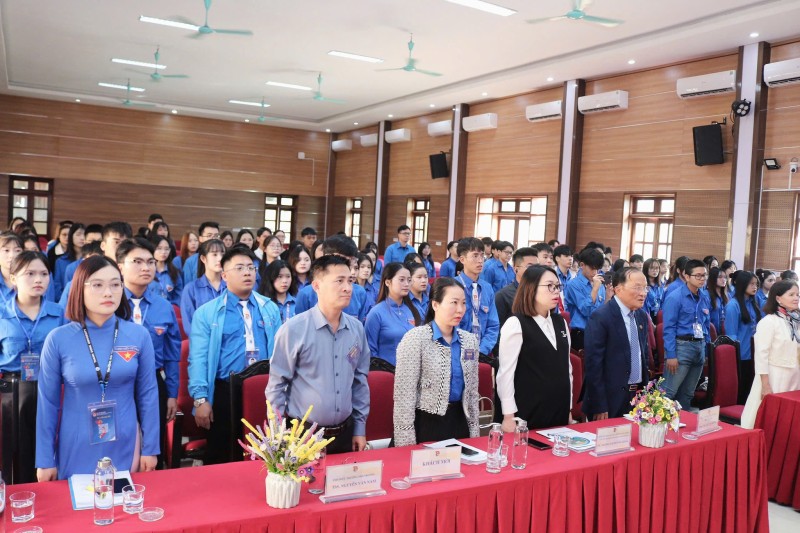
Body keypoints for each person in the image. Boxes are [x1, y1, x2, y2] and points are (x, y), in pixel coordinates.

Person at [36, 255, 159, 480]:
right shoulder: (58, 339)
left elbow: (148, 394)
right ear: (79, 289)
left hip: (126, 440)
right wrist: (45, 460)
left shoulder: (139, 335)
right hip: (76, 442)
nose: (108, 293)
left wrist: (150, 448)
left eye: (115, 284)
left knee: (123, 499)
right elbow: (48, 403)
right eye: (98, 285)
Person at [266, 255, 370, 454]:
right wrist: (278, 436)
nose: (348, 288)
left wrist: (360, 428)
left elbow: (359, 381)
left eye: (350, 281)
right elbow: (277, 386)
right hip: (303, 436)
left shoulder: (356, 329)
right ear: (316, 286)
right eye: (339, 281)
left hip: (345, 433)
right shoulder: (294, 330)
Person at [189, 245, 280, 465]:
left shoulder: (269, 307)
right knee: (223, 456)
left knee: (263, 455)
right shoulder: (207, 313)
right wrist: (200, 399)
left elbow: (280, 353)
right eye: (239, 268)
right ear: (224, 275)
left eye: (251, 267)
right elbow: (198, 359)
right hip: (225, 390)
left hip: (263, 389)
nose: (247, 272)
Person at [0, 251, 66, 484]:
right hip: (10, 390)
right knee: (13, 452)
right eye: (30, 274)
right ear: (13, 278)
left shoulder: (59, 314)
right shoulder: (2, 314)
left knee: (49, 449)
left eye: (44, 274)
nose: (38, 279)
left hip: (50, 388)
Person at [116, 238, 181, 468]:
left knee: (153, 450)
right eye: (137, 262)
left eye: (150, 262)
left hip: (154, 382)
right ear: (120, 266)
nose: (146, 267)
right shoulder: (110, 303)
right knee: (119, 447)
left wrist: (172, 393)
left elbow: (172, 354)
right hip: (117, 384)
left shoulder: (163, 306)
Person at [393, 277, 480, 446]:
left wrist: (474, 433)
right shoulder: (415, 339)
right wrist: (405, 443)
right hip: (426, 424)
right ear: (435, 305)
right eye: (454, 303)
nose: (460, 309)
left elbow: (472, 393)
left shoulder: (469, 341)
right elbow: (404, 396)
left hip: (459, 421)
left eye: (463, 303)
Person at [496, 265, 572, 431]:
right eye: (550, 286)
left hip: (559, 407)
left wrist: (569, 408)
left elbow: (567, 368)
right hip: (528, 410)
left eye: (558, 286)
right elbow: (505, 374)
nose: (556, 291)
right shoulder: (516, 323)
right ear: (531, 288)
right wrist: (508, 416)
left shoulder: (561, 322)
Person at [582, 268, 650, 420]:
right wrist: (599, 404)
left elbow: (643, 354)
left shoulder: (641, 315)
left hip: (637, 395)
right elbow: (593, 365)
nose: (643, 293)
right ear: (618, 289)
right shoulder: (601, 317)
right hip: (609, 398)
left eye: (645, 288)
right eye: (637, 287)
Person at [740, 280, 800, 428]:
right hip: (774, 376)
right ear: (778, 298)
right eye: (791, 294)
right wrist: (765, 385)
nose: (796, 298)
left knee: (787, 419)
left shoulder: (795, 321)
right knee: (767, 417)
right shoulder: (769, 322)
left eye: (798, 294)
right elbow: (761, 356)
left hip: (794, 376)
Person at [661, 259, 711, 410]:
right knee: (668, 392)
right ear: (687, 276)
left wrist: (706, 350)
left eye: (704, 275)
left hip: (699, 346)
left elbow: (706, 324)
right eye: (698, 276)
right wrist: (671, 355)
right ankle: (656, 421)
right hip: (681, 347)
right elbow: (669, 328)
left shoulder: (704, 296)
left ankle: (683, 420)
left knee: (688, 393)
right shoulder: (675, 297)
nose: (702, 279)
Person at [295, 236, 368, 321]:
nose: (345, 266)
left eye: (351, 262)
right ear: (327, 257)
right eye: (341, 261)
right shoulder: (306, 295)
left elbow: (358, 326)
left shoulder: (359, 293)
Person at [365, 263, 422, 366]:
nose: (406, 284)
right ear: (388, 282)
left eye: (409, 280)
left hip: (412, 370)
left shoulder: (414, 310)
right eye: (401, 280)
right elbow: (370, 351)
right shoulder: (376, 313)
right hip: (386, 371)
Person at [455, 237, 499, 359]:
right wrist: (465, 351)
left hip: (482, 354)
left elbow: (493, 325)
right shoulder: (452, 287)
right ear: (462, 259)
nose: (480, 260)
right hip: (456, 353)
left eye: (482, 255)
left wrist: (481, 351)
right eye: (475, 256)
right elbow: (449, 325)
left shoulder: (487, 288)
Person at [725, 270, 761, 403]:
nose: (755, 287)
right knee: (742, 390)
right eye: (751, 284)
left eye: (756, 284)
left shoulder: (753, 302)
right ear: (742, 284)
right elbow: (731, 335)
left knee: (751, 389)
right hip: (741, 355)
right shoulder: (733, 305)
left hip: (754, 353)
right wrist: (735, 355)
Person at [180, 239, 226, 336]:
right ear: (203, 258)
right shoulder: (191, 289)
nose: (220, 258)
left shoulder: (231, 287)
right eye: (214, 254)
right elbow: (189, 325)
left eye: (222, 254)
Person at [564, 247, 605, 350]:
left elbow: (603, 310)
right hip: (581, 334)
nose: (595, 272)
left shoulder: (599, 284)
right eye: (592, 268)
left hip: (598, 331)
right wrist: (595, 289)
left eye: (597, 269)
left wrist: (608, 295)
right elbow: (586, 310)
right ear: (582, 265)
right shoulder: (573, 284)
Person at [494, 247, 538, 329]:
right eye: (529, 266)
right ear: (516, 269)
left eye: (537, 267)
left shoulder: (542, 292)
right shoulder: (503, 296)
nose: (536, 270)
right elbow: (497, 327)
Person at [258, 259, 297, 324]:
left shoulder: (296, 303)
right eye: (280, 276)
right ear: (271, 278)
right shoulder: (262, 304)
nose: (284, 281)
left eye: (288, 276)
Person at [53, 223, 86, 297]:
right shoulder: (60, 261)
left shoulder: (89, 259)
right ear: (71, 236)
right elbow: (57, 285)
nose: (82, 238)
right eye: (78, 234)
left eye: (84, 235)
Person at [149, 235, 183, 306]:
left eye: (166, 249)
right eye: (159, 248)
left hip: (169, 308)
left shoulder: (174, 272)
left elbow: (179, 295)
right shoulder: (146, 271)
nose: (163, 252)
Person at [706, 267, 729, 335]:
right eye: (720, 277)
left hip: (724, 334)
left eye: (725, 277)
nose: (723, 279)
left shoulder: (727, 296)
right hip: (711, 333)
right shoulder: (707, 295)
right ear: (713, 278)